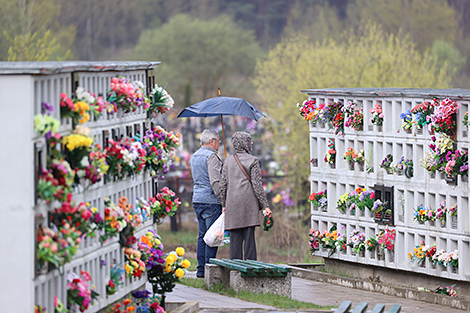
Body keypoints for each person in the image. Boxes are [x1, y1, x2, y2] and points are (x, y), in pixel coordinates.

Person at [220, 132, 272, 260]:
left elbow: (222, 186)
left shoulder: (228, 161)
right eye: (249, 140)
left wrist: (224, 204)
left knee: (235, 242)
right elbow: (257, 186)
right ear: (244, 143)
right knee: (249, 241)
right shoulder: (253, 160)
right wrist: (265, 205)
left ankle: (235, 272)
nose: (252, 143)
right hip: (248, 205)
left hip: (232, 205)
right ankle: (249, 272)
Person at [190, 129, 224, 278]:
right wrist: (223, 200)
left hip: (197, 199)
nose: (219, 144)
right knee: (212, 237)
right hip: (211, 201)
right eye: (218, 141)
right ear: (211, 141)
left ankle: (200, 270)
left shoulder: (194, 156)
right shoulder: (212, 157)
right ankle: (210, 270)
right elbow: (215, 182)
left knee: (202, 235)